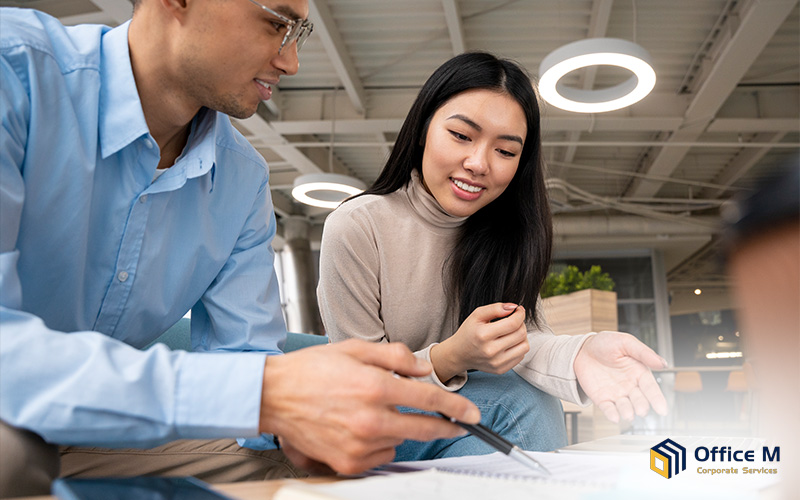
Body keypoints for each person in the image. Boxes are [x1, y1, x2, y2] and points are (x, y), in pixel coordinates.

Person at [0, 1, 480, 496]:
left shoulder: (242, 178)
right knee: (12, 457)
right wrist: (264, 393)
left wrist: (302, 423)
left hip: (99, 434)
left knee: (307, 479)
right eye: (275, 24)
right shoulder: (14, 71)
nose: (291, 62)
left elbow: (244, 355)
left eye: (299, 32)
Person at [317, 52, 668, 460]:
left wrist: (580, 353)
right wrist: (452, 356)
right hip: (370, 423)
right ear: (421, 131)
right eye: (462, 136)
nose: (478, 164)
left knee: (490, 448)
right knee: (518, 403)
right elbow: (359, 382)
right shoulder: (357, 226)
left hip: (456, 427)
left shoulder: (507, 233)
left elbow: (523, 343)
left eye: (505, 151)